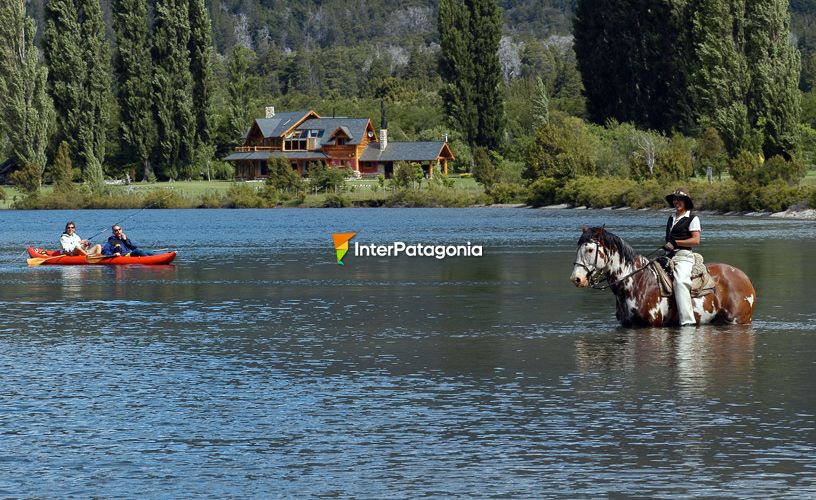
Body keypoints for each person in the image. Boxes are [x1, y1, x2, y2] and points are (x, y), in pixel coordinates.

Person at [662, 187, 701, 326]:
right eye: (674, 199)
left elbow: (696, 240)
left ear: (686, 202)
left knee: (680, 282)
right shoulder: (671, 218)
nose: (676, 202)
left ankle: (687, 322)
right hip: (669, 256)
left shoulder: (692, 218)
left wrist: (676, 242)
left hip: (684, 257)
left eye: (679, 199)